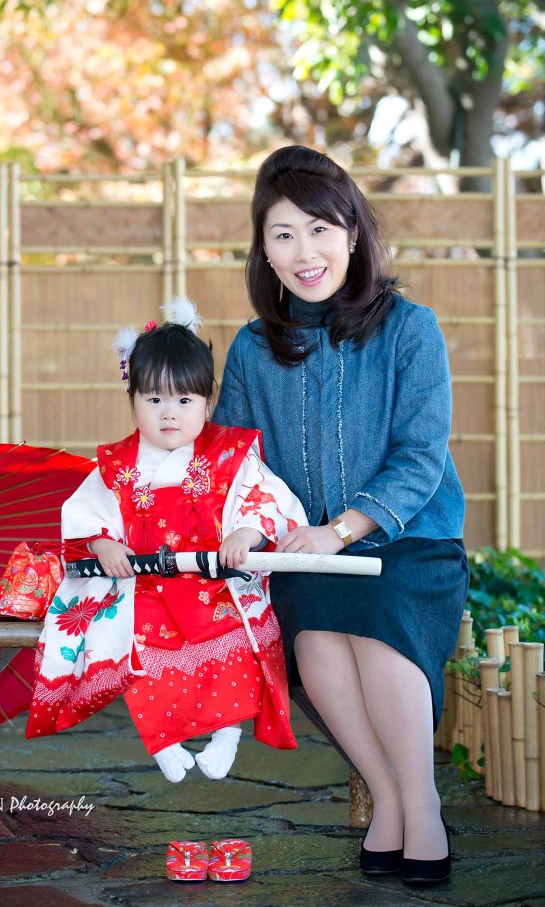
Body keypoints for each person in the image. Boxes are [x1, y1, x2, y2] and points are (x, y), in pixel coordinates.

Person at [212, 145, 469, 885]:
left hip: (408, 539)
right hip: (305, 554)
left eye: (320, 229)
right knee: (318, 635)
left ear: (352, 234)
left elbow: (420, 456)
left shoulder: (409, 328)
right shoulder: (254, 348)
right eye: (283, 234)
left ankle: (419, 807)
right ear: (263, 249)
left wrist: (344, 528)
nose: (305, 251)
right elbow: (238, 466)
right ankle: (387, 795)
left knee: (380, 621)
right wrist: (243, 526)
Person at [26, 297, 307, 783]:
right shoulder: (116, 465)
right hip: (149, 586)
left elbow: (267, 499)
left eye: (184, 400)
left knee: (234, 641)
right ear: (132, 399)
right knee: (140, 647)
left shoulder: (229, 454)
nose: (169, 413)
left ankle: (227, 732)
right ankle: (165, 739)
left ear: (208, 401)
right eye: (154, 399)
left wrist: (246, 532)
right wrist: (102, 545)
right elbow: (85, 513)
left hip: (214, 581)